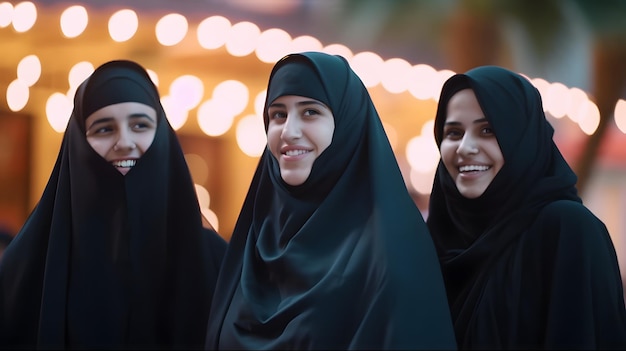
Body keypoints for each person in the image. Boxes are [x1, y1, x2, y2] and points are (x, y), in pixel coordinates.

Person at [204, 52, 457, 350]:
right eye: (278, 114)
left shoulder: (391, 249)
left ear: (347, 124)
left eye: (310, 112)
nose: (289, 131)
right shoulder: (256, 238)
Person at [0, 60, 227, 349]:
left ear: (161, 135)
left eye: (140, 125)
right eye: (104, 129)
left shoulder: (216, 263)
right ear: (79, 142)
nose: (124, 141)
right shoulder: (29, 266)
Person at [427, 65, 626, 349]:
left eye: (487, 130)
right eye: (454, 133)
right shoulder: (436, 242)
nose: (465, 147)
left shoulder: (566, 229)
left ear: (523, 139)